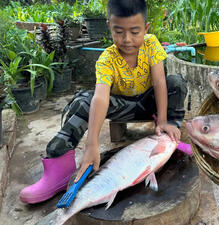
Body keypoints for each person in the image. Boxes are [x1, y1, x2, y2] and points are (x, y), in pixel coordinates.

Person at [19, 0, 187, 204]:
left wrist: (162, 120)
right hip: (121, 107)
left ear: (146, 28)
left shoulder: (151, 44)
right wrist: (92, 144)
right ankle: (59, 168)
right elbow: (100, 97)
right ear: (109, 26)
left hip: (148, 104)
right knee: (82, 101)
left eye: (135, 32)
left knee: (176, 82)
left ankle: (171, 138)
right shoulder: (107, 59)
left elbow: (160, 82)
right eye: (119, 32)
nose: (127, 39)